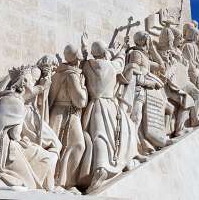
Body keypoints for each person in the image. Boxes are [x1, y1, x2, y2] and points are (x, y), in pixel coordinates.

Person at [80, 41, 142, 193]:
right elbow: (120, 62)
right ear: (104, 53)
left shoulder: (88, 66)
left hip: (94, 105)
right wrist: (122, 49)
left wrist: (84, 49)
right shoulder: (111, 66)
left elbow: (85, 60)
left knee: (99, 136)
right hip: (109, 104)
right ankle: (108, 166)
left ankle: (103, 166)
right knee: (123, 132)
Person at [49, 44, 88, 191]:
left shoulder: (60, 72)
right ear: (76, 59)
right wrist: (83, 86)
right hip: (68, 113)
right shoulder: (71, 75)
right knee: (78, 145)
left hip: (57, 112)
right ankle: (66, 183)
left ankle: (58, 180)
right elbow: (80, 101)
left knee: (61, 146)